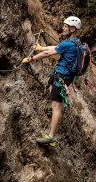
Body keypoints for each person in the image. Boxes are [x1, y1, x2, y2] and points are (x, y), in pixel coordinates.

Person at [21, 16, 81, 146]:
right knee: (54, 100)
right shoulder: (75, 42)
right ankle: (51, 134)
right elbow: (57, 47)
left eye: (66, 26)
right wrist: (41, 48)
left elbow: (48, 54)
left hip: (62, 76)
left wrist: (31, 58)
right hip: (61, 76)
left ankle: (51, 137)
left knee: (56, 106)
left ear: (73, 28)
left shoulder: (68, 43)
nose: (63, 28)